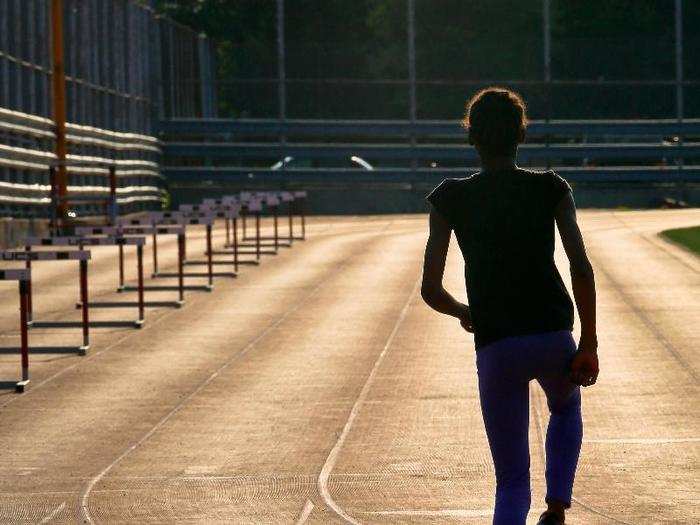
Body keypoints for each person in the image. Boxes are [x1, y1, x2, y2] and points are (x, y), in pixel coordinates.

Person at [421, 87, 599, 525]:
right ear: (521, 135)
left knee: (511, 480)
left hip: (497, 343)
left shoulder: (449, 198)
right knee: (565, 407)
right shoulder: (551, 188)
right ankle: (557, 505)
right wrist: (589, 341)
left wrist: (464, 311)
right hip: (552, 333)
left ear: (471, 138)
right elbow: (580, 265)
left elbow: (430, 289)